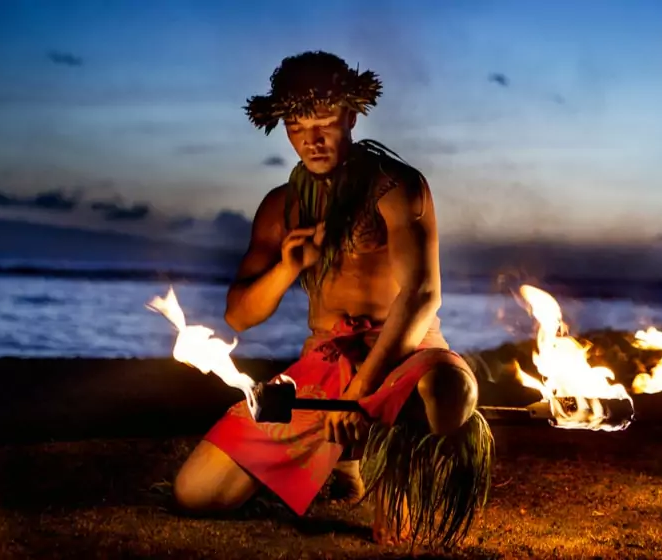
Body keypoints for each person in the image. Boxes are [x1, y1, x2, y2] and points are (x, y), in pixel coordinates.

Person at [171, 51, 494, 548]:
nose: (312, 139)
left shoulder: (397, 186)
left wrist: (363, 393)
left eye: (324, 122)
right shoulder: (282, 205)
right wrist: (287, 267)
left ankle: (382, 464)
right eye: (298, 126)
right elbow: (239, 315)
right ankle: (343, 462)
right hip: (323, 362)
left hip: (405, 354)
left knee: (452, 396)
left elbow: (423, 295)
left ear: (351, 116)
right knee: (197, 495)